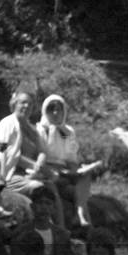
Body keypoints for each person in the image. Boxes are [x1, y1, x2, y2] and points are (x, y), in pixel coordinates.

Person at [37, 94, 95, 227]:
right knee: (72, 191)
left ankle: (79, 213)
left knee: (85, 176)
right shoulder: (40, 130)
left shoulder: (68, 131)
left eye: (59, 109)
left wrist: (77, 170)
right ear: (45, 111)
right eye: (51, 109)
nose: (56, 113)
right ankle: (69, 224)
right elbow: (42, 155)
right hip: (49, 170)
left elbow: (71, 157)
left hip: (66, 170)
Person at [0, 92, 49, 196]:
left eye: (30, 104)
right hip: (12, 174)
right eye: (23, 103)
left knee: (52, 187)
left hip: (32, 173)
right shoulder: (6, 124)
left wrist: (39, 165)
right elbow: (4, 151)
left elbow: (42, 150)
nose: (27, 106)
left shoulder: (33, 130)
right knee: (38, 187)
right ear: (14, 105)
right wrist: (33, 165)